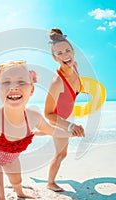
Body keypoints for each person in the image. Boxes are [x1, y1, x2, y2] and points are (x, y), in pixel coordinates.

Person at [0, 60, 79, 199]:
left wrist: (70, 133)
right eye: (6, 82)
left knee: (17, 181)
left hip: (12, 156)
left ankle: (20, 193)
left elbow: (52, 130)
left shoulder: (34, 117)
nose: (14, 87)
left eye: (21, 82)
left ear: (31, 90)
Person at [44, 28, 85, 192]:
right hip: (58, 121)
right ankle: (50, 183)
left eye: (68, 50)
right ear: (54, 57)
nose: (65, 55)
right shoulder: (56, 82)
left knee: (46, 133)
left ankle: (31, 132)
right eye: (59, 53)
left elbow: (73, 89)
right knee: (61, 154)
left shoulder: (75, 65)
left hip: (68, 115)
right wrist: (69, 126)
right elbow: (48, 113)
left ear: (73, 51)